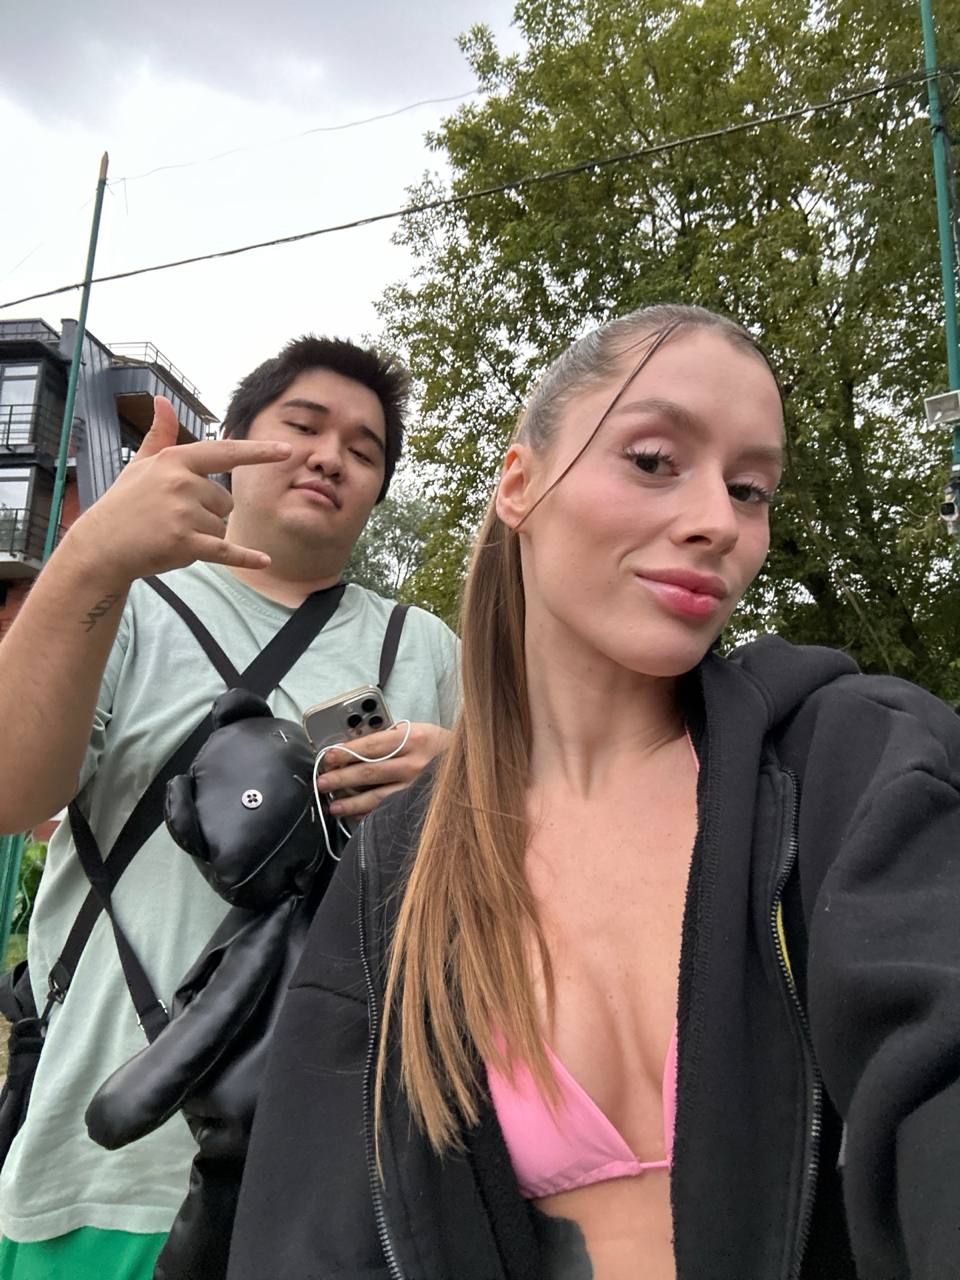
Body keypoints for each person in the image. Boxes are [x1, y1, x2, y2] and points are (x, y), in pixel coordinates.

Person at [229, 304, 960, 1280]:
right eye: (654, 460)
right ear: (520, 484)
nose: (719, 523)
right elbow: (315, 1235)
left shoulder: (852, 761)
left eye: (750, 489)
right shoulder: (402, 865)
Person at [0, 336, 459, 1279]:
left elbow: (508, 880)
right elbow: (12, 790)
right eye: (302, 427)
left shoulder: (427, 650)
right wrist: (91, 556)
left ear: (378, 491)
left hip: (339, 1187)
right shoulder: (127, 605)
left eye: (365, 450)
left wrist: (461, 788)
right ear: (233, 445)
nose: (330, 457)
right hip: (99, 1178)